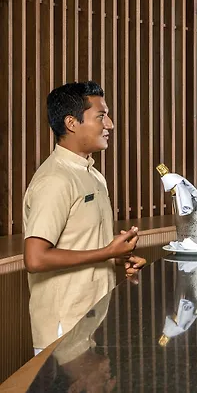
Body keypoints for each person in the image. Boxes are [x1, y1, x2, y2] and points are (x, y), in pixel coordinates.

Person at [23, 81, 146, 355]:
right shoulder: (55, 180)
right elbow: (35, 258)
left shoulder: (94, 176)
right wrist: (107, 252)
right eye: (101, 116)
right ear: (71, 123)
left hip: (94, 322)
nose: (110, 125)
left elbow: (80, 244)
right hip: (65, 328)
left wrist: (118, 256)